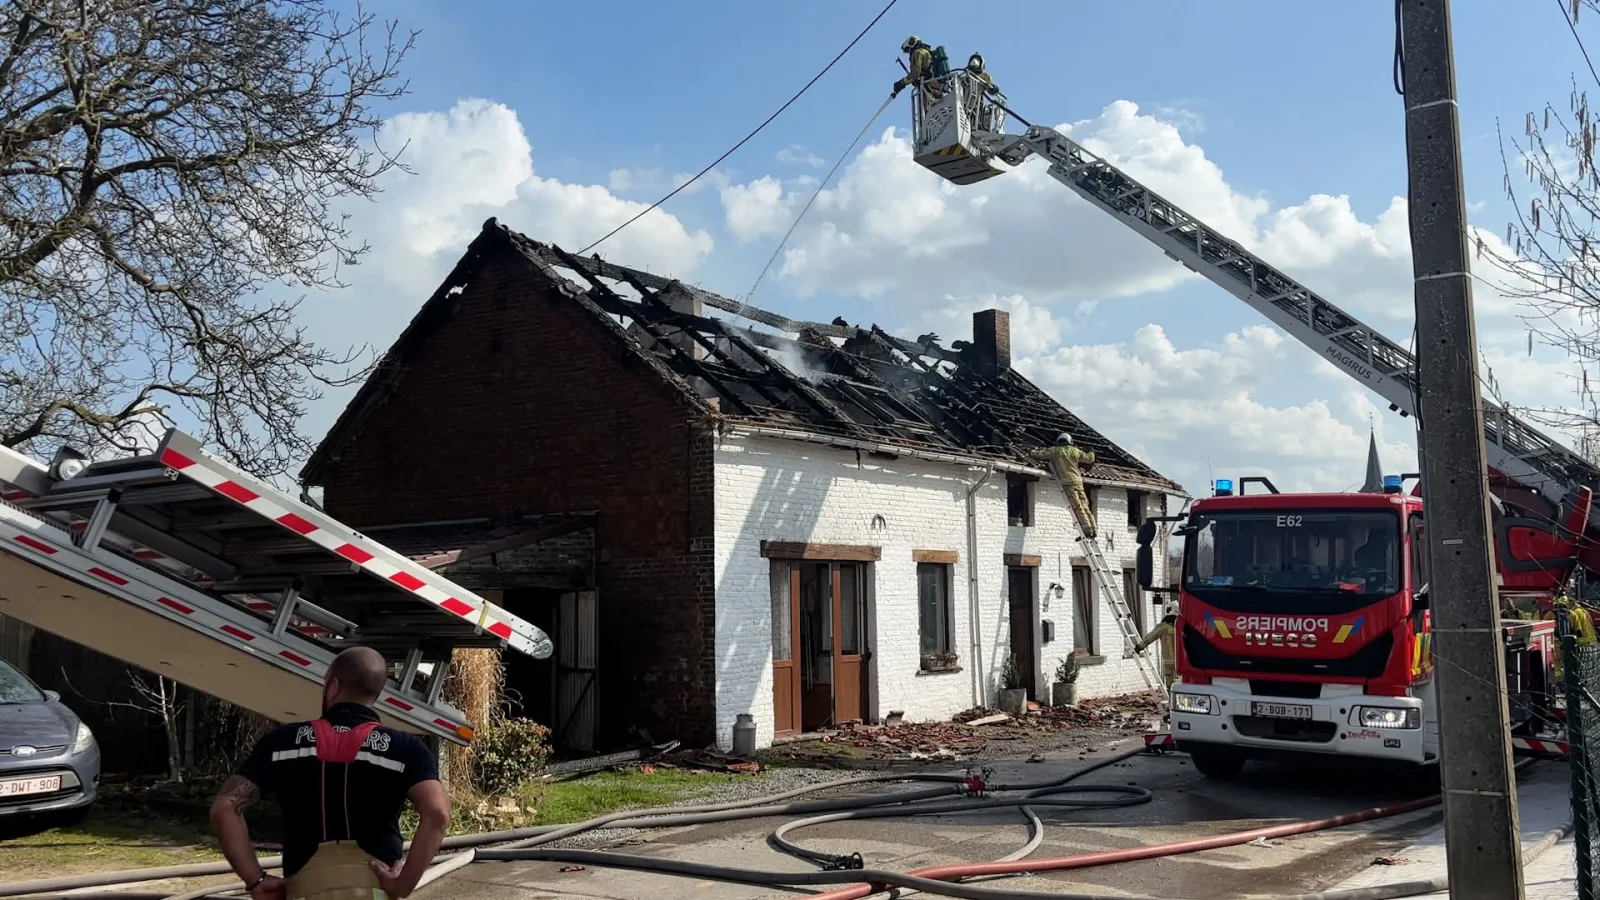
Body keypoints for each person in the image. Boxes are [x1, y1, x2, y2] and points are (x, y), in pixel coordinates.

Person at [210, 647, 451, 900]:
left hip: (304, 890)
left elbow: (225, 807)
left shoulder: (280, 742)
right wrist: (404, 883)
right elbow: (437, 813)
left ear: (333, 686)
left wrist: (256, 879)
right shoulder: (406, 748)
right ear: (376, 693)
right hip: (375, 892)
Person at [1030, 433, 1098, 539]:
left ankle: (1087, 530)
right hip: (1079, 482)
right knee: (1085, 506)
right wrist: (1091, 450)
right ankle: (1094, 528)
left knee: (1077, 506)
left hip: (1068, 483)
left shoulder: (1056, 451)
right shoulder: (1076, 451)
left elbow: (1040, 455)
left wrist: (1032, 451)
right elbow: (1090, 458)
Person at [891, 35, 940, 105]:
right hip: (936, 86)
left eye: (908, 49)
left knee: (928, 111)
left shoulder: (917, 53)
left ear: (912, 44)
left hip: (928, 87)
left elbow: (915, 74)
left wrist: (901, 83)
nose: (909, 52)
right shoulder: (926, 51)